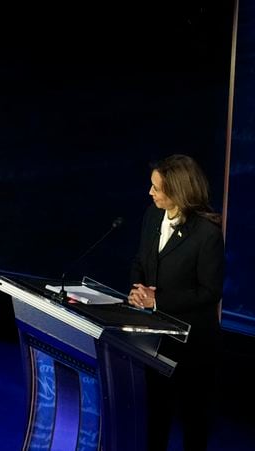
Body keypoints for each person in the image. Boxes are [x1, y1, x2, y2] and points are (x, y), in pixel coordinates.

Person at [128, 154, 224, 451]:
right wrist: (137, 289)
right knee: (156, 413)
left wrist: (157, 299)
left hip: (193, 344)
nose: (151, 192)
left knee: (193, 419)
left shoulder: (207, 234)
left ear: (178, 190)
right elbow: (140, 261)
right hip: (154, 339)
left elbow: (210, 291)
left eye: (157, 188)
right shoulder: (152, 216)